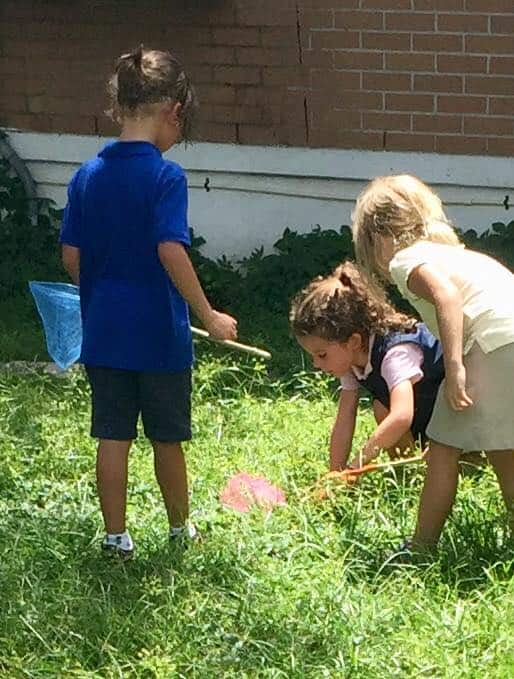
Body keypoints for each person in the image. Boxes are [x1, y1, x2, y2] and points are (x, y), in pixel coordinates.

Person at [60, 46, 237, 558]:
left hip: (104, 332)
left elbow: (72, 254)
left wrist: (99, 292)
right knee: (167, 438)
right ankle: (180, 530)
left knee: (111, 436)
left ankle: (116, 538)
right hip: (159, 335)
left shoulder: (86, 175)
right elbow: (169, 248)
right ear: (173, 112)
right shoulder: (165, 176)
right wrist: (208, 314)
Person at [352, 173, 514, 550]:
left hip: (492, 344)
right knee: (504, 447)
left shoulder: (406, 261)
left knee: (442, 448)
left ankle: (421, 548)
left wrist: (455, 366)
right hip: (508, 336)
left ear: (377, 236)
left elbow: (447, 299)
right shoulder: (457, 254)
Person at [290, 261, 444, 472]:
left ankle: (451, 461)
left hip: (461, 403)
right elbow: (346, 417)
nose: (316, 364)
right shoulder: (351, 359)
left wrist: (357, 465)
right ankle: (412, 475)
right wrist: (335, 474)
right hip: (428, 407)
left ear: (352, 341)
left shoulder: (395, 354)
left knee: (386, 409)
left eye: (322, 355)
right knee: (382, 405)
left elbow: (401, 416)